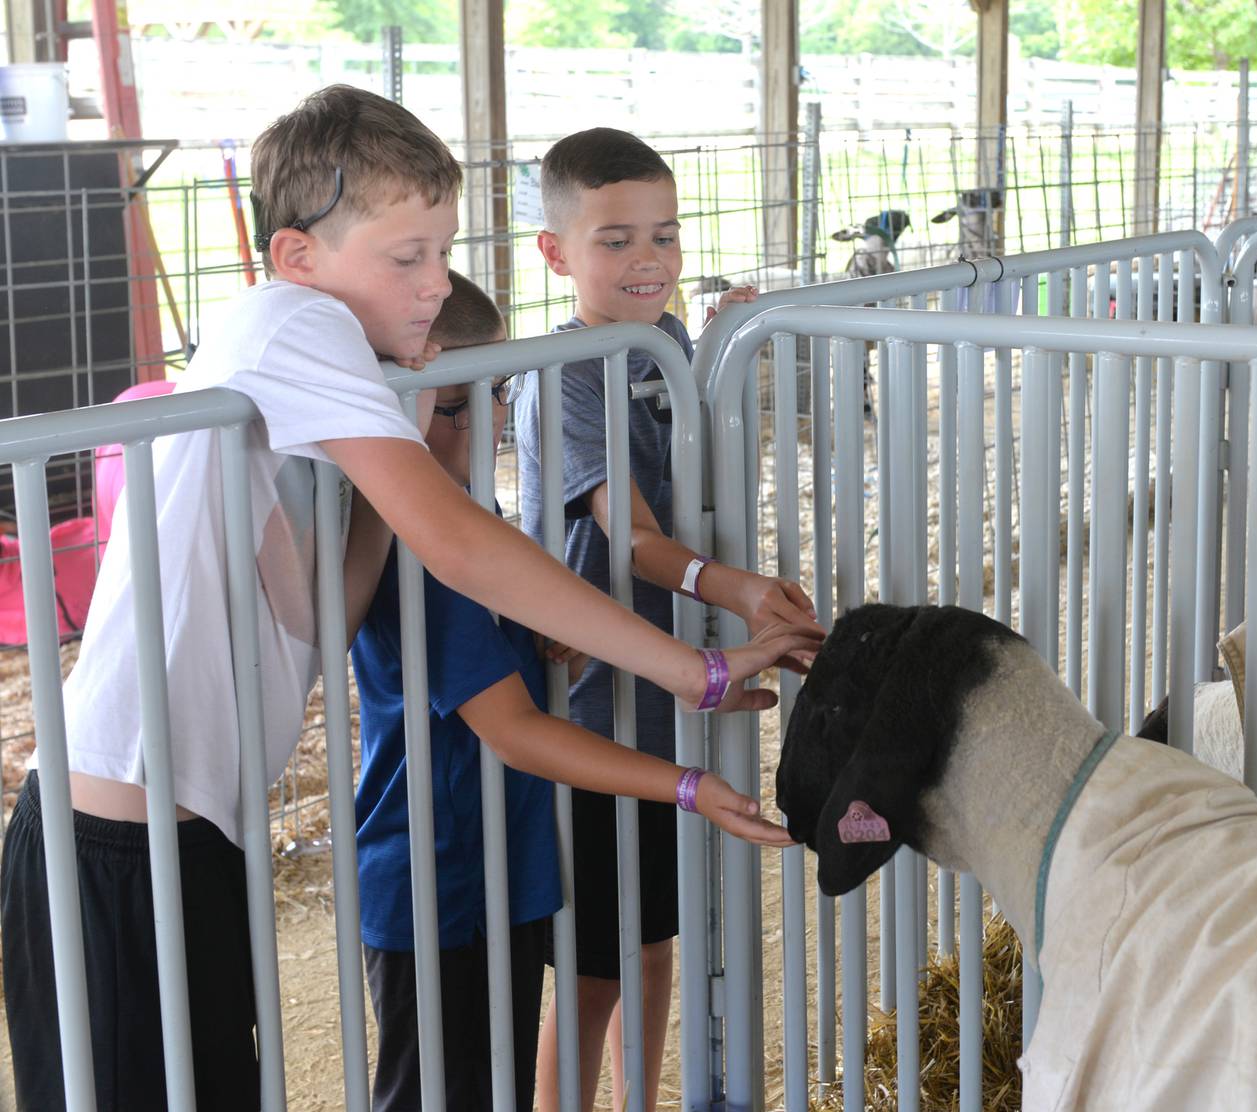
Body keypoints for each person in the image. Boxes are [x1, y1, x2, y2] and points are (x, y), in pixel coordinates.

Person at [0, 88, 820, 1112]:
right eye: (407, 257)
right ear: (299, 256)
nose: (438, 283)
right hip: (116, 834)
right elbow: (463, 542)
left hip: (185, 827)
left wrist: (395, 411)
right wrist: (690, 667)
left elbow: (330, 615)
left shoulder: (314, 372)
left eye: (442, 250)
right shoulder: (287, 320)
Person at [351, 274, 793, 1112]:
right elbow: (512, 730)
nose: (484, 424)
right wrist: (689, 785)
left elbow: (525, 661)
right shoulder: (426, 550)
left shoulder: (478, 521)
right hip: (438, 887)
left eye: (495, 394)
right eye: (454, 407)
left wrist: (557, 648)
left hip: (502, 872)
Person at [514, 127, 823, 1112]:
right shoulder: (568, 372)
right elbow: (631, 536)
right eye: (615, 240)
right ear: (555, 252)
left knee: (652, 944)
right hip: (597, 702)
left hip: (663, 703)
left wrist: (729, 340)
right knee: (596, 963)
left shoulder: (669, 353)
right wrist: (732, 589)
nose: (648, 260)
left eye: (665, 234)